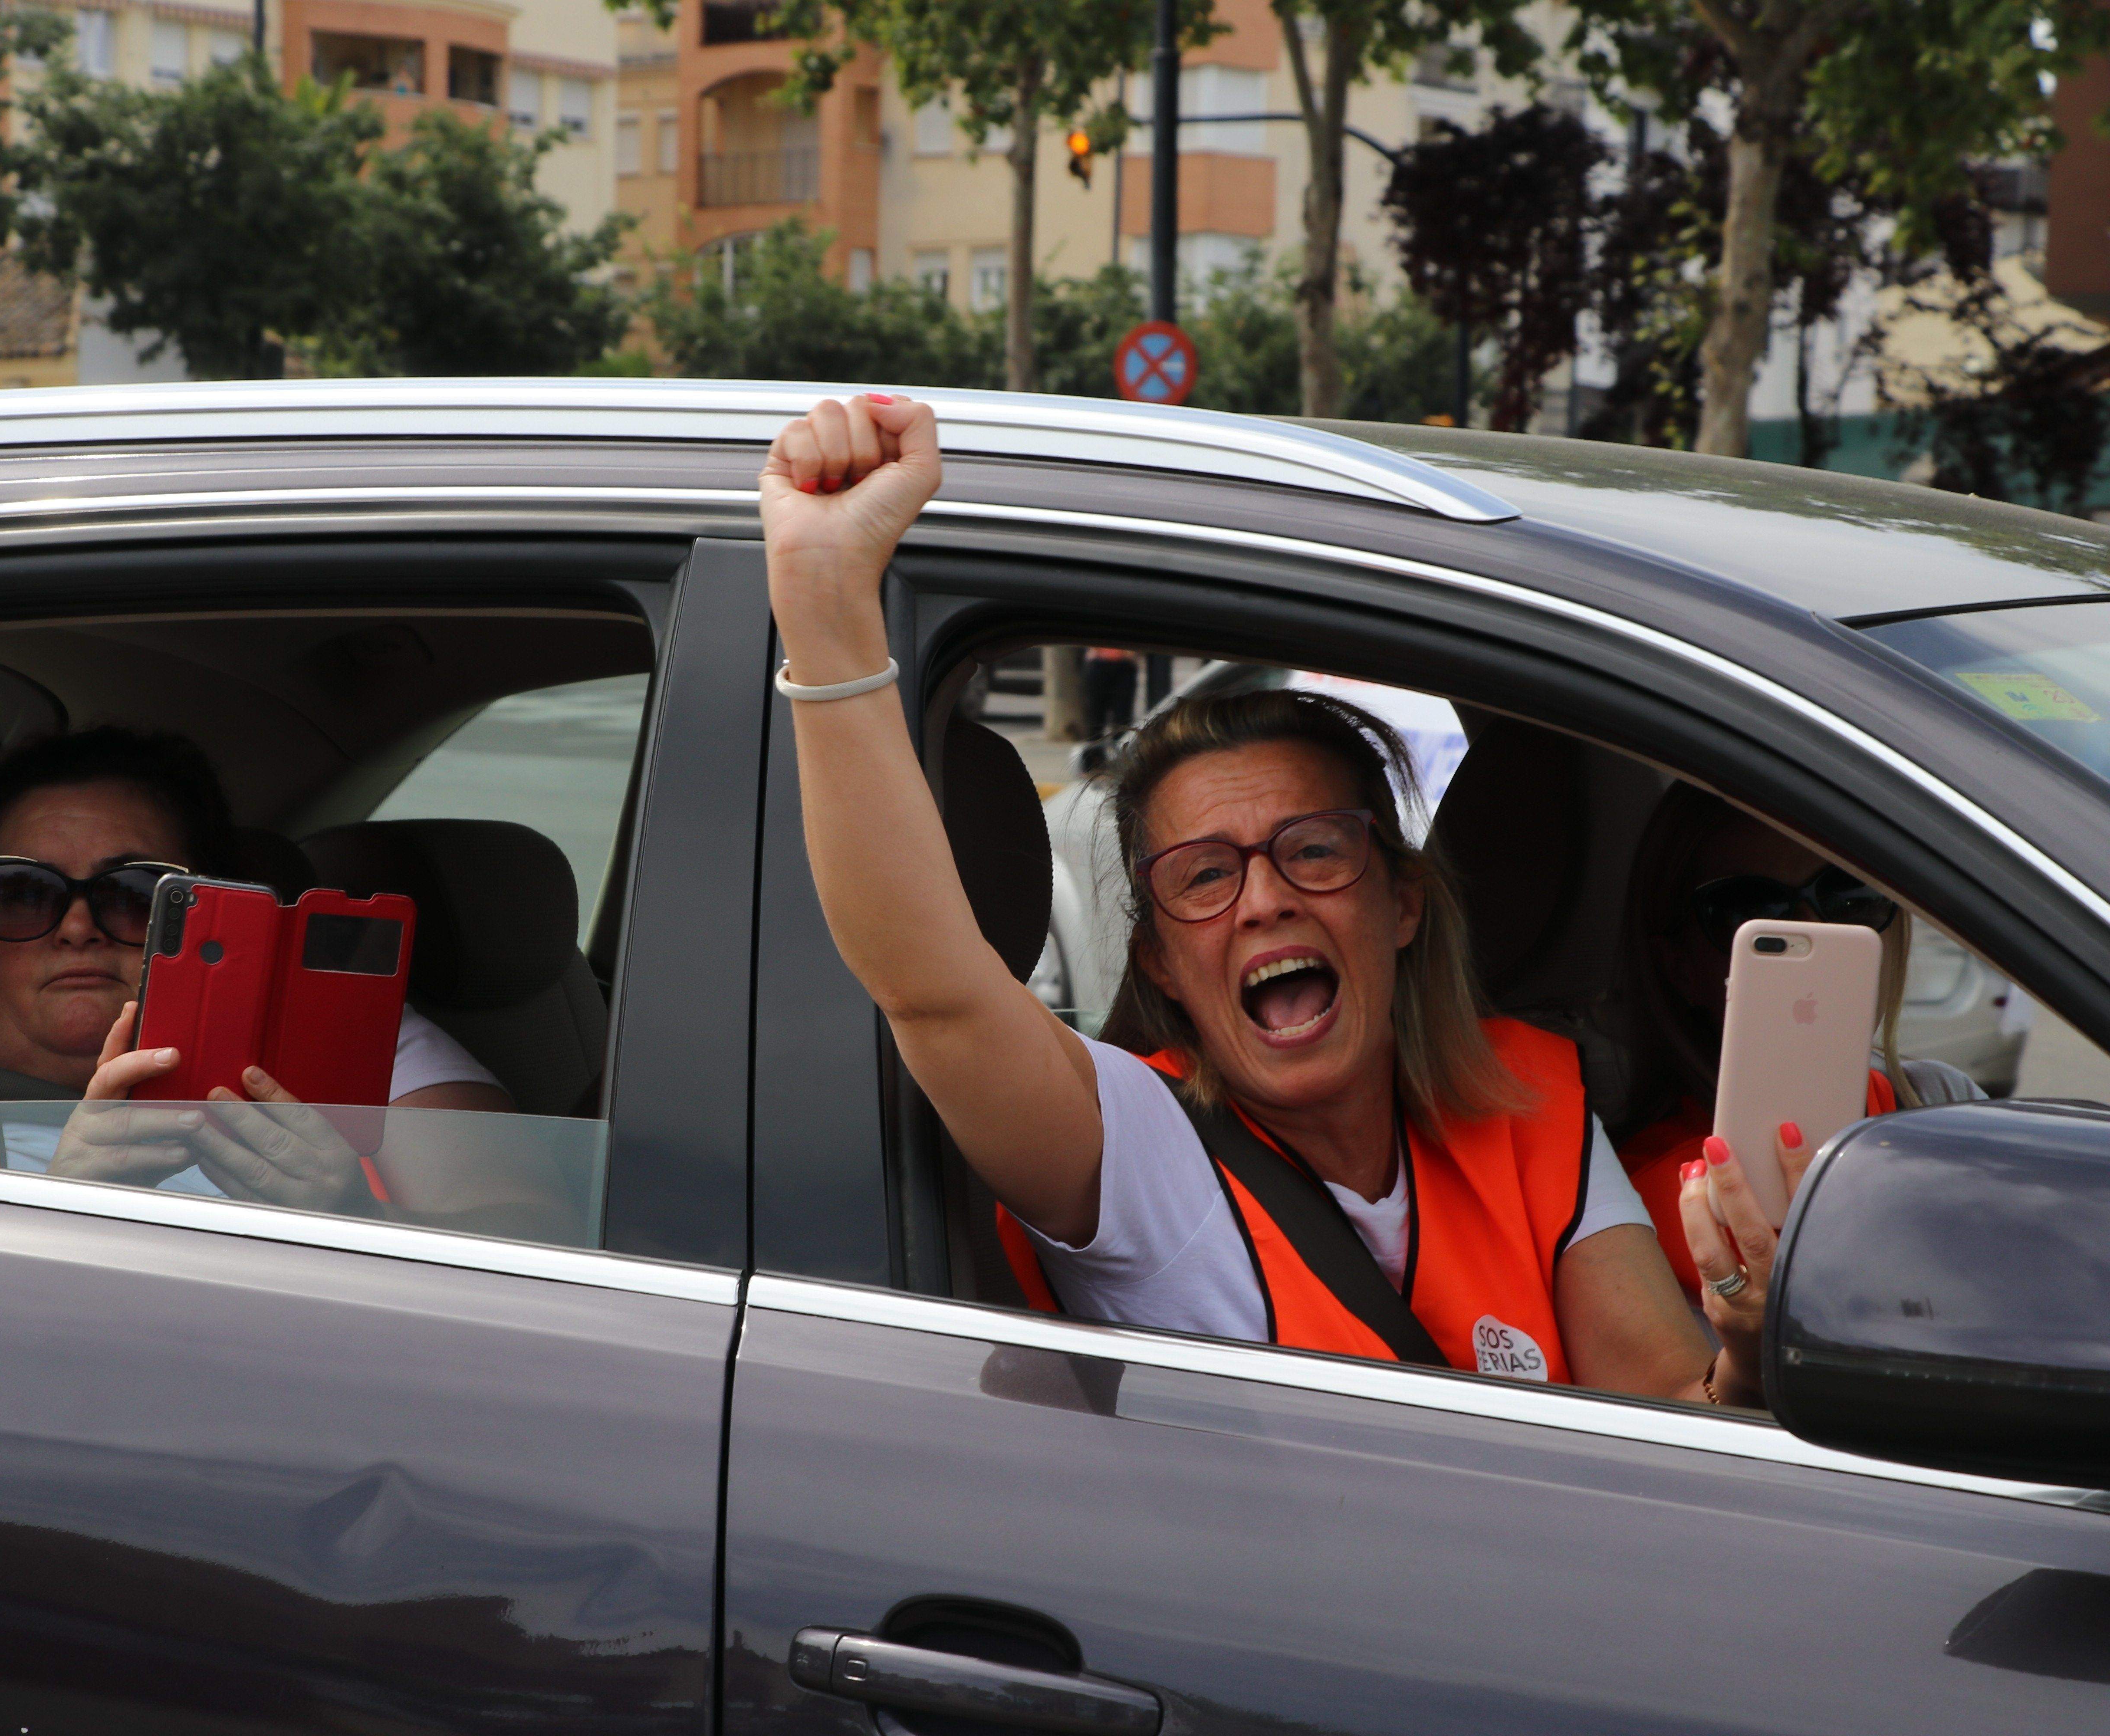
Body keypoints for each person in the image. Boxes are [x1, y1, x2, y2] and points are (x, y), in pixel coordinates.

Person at [762, 393, 1792, 1404]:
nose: (1263, 899)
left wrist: (1744, 1348)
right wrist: (823, 597)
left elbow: (1680, 1419)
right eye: (1204, 875)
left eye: (1312, 849)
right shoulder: (1140, 1151)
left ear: (1401, 904)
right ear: (1161, 959)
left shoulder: (1535, 1106)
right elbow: (932, 988)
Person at [0, 727, 518, 1215]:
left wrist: (354, 1219)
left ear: (220, 907)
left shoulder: (354, 1043)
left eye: (134, 893)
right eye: (23, 891)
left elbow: (529, 1252)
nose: (77, 927)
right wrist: (60, 1218)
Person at [1615, 782, 1979, 1301]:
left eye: (1850, 894)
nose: (1816, 930)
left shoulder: (1942, 1104)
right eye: (1748, 909)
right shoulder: (1644, 1203)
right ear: (1679, 966)